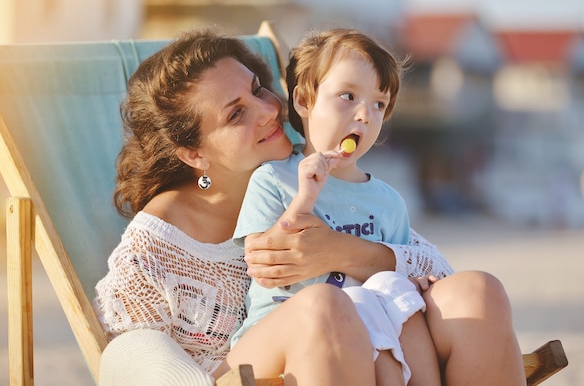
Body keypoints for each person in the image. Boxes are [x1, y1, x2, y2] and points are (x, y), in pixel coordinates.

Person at [93, 26, 527, 386]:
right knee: (324, 305)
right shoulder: (160, 238)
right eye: (235, 114)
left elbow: (434, 266)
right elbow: (126, 351)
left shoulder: (309, 169)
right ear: (195, 155)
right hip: (242, 373)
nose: (267, 109)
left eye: (259, 88)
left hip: (362, 349)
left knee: (478, 292)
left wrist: (340, 251)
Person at [230, 28, 439, 386]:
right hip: (284, 333)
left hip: (370, 341)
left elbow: (395, 276)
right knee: (356, 304)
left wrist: (416, 283)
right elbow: (268, 264)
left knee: (395, 294)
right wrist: (306, 197)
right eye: (348, 96)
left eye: (379, 103)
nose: (365, 115)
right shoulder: (275, 179)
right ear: (304, 101)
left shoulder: (387, 202)